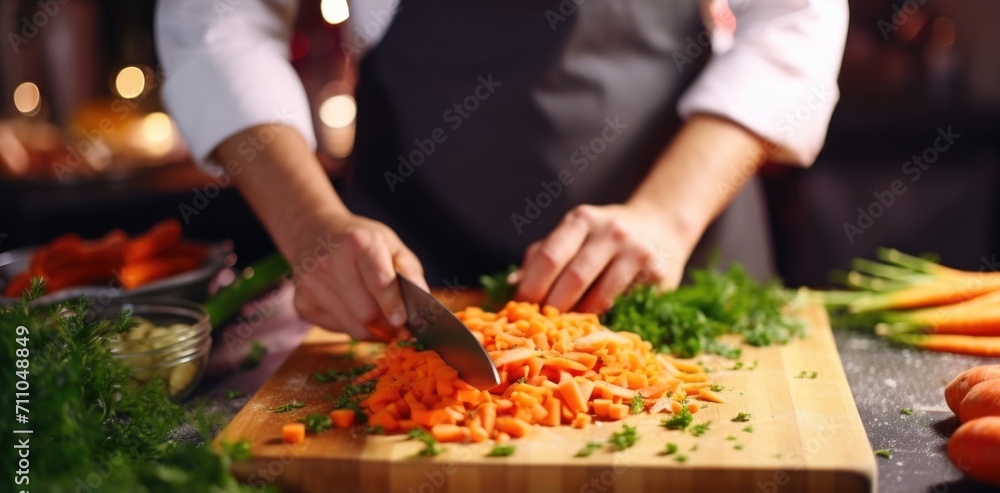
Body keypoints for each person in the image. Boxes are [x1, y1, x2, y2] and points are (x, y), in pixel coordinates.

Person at [156, 0, 848, 341]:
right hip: (406, 295)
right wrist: (309, 223)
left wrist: (668, 215)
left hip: (690, 259)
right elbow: (220, 22)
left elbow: (796, 16)